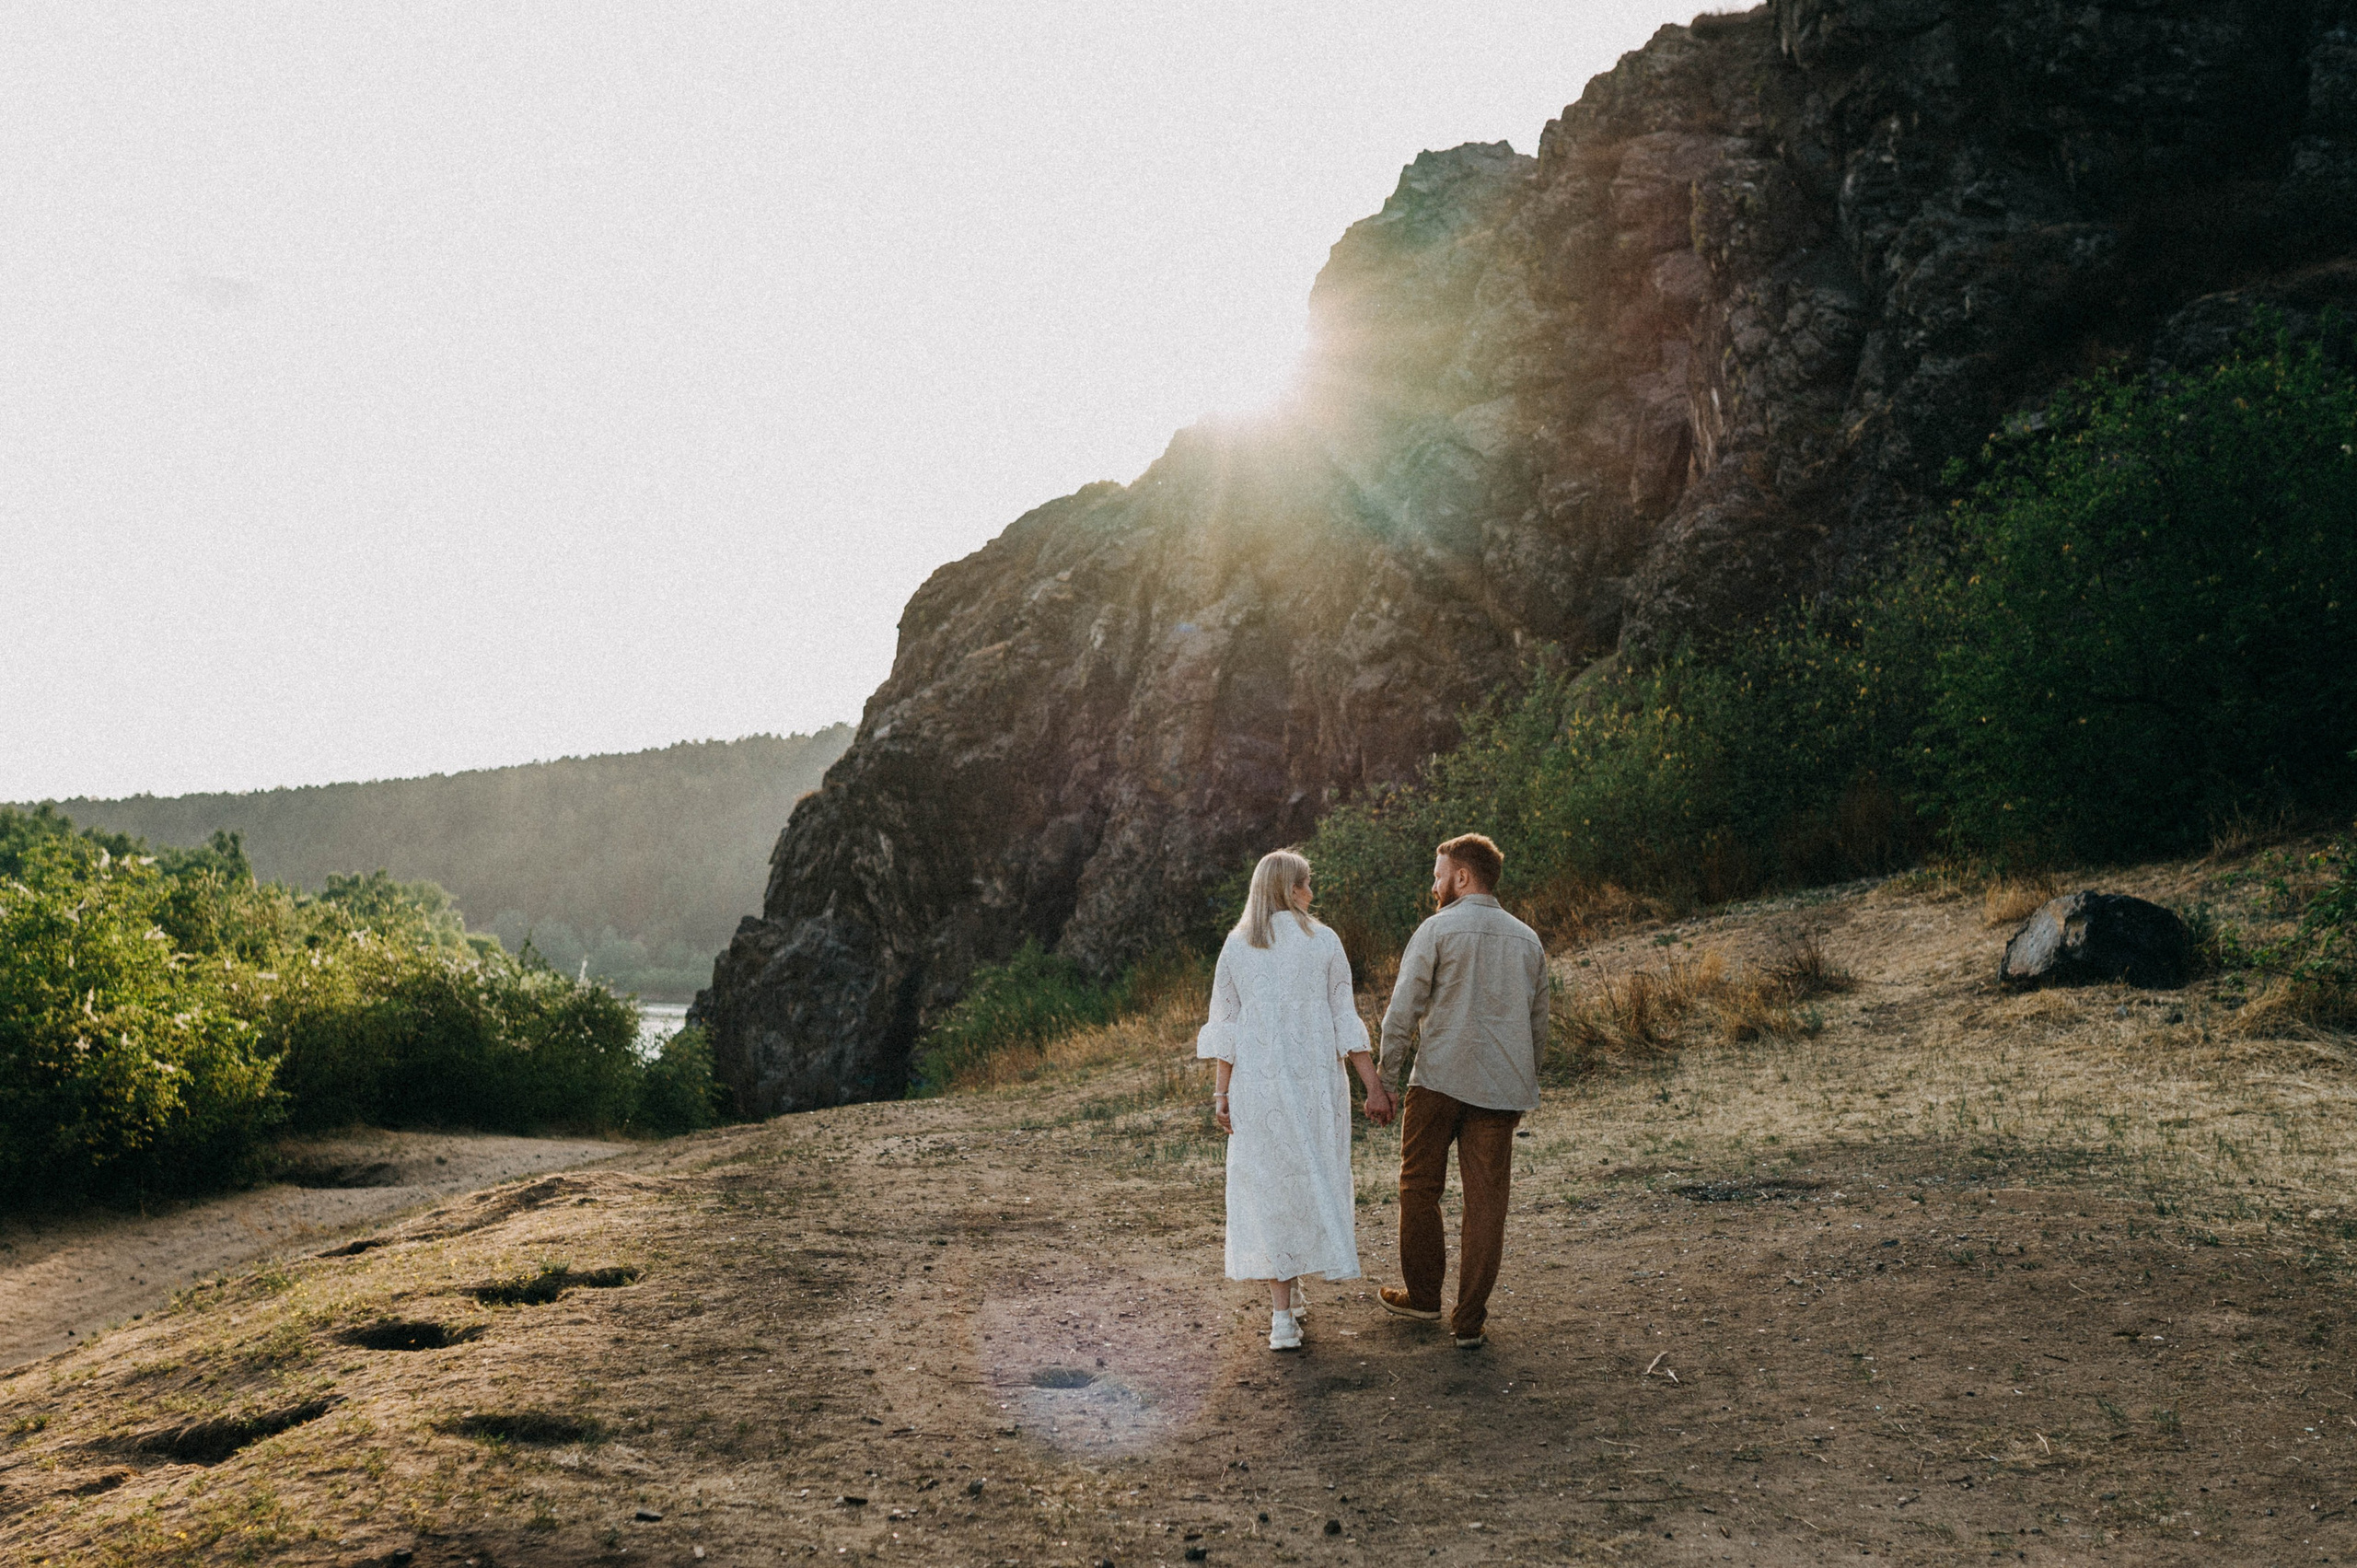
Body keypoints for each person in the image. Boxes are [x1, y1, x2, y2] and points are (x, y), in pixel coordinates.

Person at [1199, 849, 1396, 1352]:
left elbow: (1227, 1027)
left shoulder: (1237, 945)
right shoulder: (1324, 940)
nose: (1312, 892)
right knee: (1310, 1176)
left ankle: (1282, 1317)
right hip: (1314, 1087)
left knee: (1269, 1187)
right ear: (1290, 889)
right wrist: (1372, 1086)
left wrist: (1221, 1092)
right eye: (1307, 883)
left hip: (1257, 1085)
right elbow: (1344, 1020)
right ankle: (1289, 1301)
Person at [1375, 832, 1549, 1350]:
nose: (1434, 886)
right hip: (1499, 1090)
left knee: (1418, 1187)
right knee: (1487, 1204)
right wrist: (1523, 1086)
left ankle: (1423, 1297)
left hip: (1437, 1082)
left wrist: (1385, 1082)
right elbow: (1538, 1028)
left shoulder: (1436, 929)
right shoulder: (1528, 941)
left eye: (1439, 875)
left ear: (1463, 876)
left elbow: (1402, 1013)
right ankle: (1469, 1321)